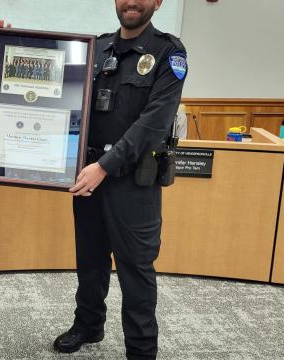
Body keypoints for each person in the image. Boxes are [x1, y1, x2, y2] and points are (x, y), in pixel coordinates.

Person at [54, 1, 187, 359]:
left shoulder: (168, 52)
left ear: (157, 2)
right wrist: (3, 46)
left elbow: (154, 122)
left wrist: (105, 166)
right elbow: (60, 96)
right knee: (90, 259)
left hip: (132, 182)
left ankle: (141, 350)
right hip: (88, 176)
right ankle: (88, 324)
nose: (131, 2)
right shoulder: (97, 48)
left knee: (136, 269)